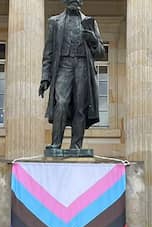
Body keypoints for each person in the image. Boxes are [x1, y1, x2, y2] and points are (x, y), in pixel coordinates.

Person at [39, 0, 105, 151]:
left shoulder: (89, 22)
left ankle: (76, 146)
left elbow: (100, 53)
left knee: (80, 107)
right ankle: (56, 144)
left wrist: (93, 40)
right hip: (63, 65)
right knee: (61, 102)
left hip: (82, 65)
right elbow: (48, 52)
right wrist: (45, 77)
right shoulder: (54, 22)